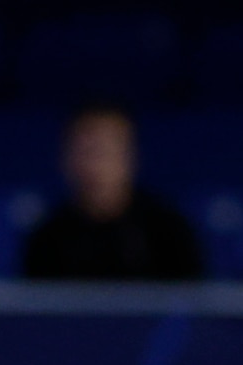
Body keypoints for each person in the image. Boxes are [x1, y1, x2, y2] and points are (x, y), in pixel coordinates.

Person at [17, 106, 204, 285]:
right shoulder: (46, 238)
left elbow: (196, 308)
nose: (95, 165)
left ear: (130, 157)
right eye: (86, 152)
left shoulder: (169, 232)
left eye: (105, 152)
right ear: (66, 158)